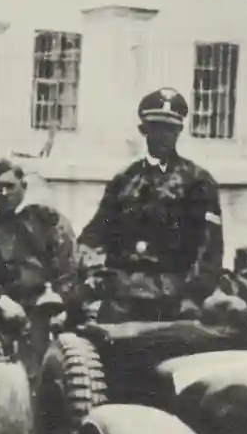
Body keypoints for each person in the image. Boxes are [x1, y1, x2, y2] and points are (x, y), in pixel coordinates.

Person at [78, 88, 225, 322]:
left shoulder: (198, 182)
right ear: (143, 131)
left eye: (170, 129)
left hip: (173, 295)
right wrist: (93, 274)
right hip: (122, 293)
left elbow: (209, 250)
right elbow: (95, 234)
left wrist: (192, 296)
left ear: (179, 131)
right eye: (156, 128)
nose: (163, 136)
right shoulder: (124, 180)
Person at [0, 159, 81, 337]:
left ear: (23, 186)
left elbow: (68, 265)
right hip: (6, 313)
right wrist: (0, 300)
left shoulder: (47, 220)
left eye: (9, 186)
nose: (3, 193)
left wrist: (60, 299)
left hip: (50, 308)